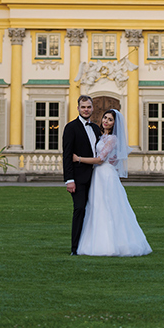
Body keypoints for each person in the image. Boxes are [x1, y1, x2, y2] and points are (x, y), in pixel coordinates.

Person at [74, 109, 152, 257]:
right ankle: (95, 241)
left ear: (115, 123)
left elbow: (100, 159)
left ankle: (111, 244)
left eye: (110, 119)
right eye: (105, 118)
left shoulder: (112, 139)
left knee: (109, 207)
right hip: (98, 175)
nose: (106, 121)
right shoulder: (101, 136)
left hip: (106, 174)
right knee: (96, 207)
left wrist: (78, 159)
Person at [62, 95, 102, 255]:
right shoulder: (71, 127)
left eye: (89, 107)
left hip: (96, 177)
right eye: (83, 107)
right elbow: (67, 155)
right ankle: (75, 248)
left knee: (95, 211)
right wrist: (69, 180)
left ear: (92, 108)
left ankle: (91, 244)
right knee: (79, 209)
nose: (86, 109)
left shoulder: (95, 128)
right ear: (78, 108)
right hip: (78, 178)